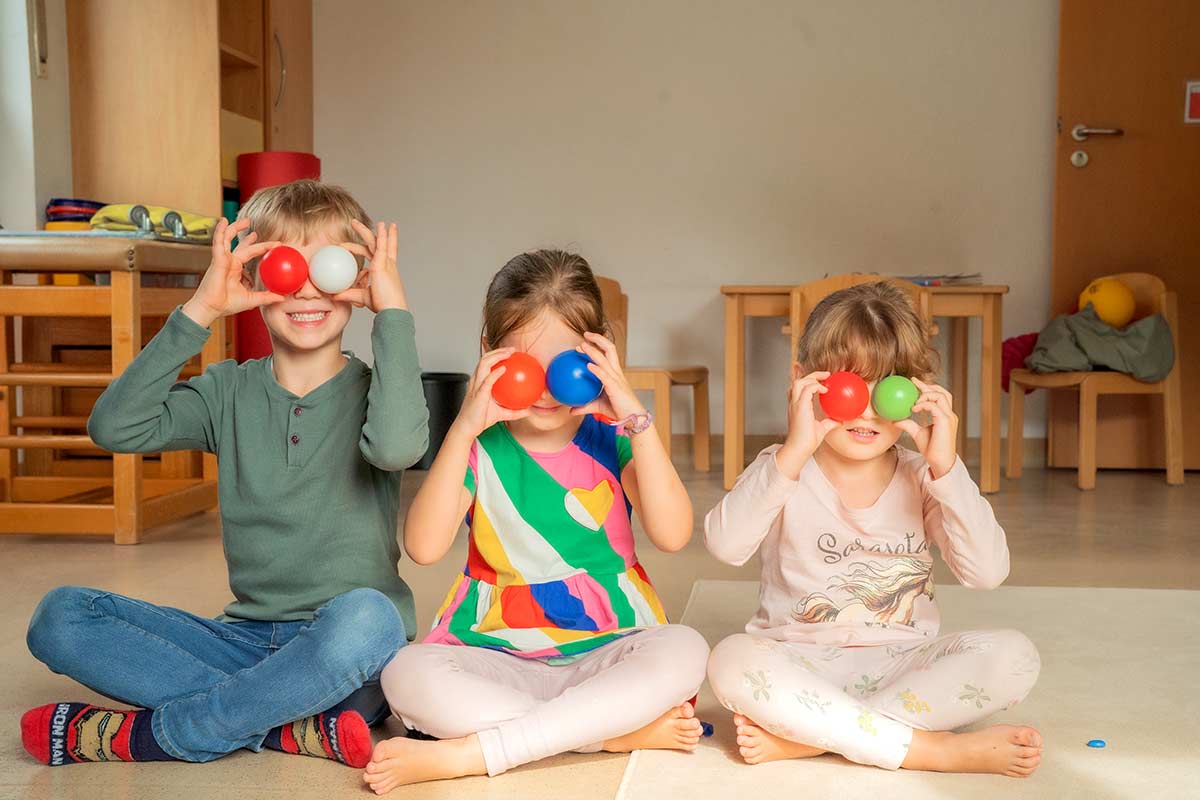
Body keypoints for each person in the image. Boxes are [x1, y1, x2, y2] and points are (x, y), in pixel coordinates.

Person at [21, 180, 429, 769]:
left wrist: (394, 311)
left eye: (330, 268)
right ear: (256, 281)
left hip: (345, 651)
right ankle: (282, 726)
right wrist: (200, 310)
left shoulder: (377, 390)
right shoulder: (226, 391)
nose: (308, 288)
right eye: (286, 267)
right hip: (240, 641)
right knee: (59, 616)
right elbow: (115, 428)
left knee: (371, 617)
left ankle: (172, 731)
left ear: (357, 280)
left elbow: (395, 448)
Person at [362, 250, 709, 794]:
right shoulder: (481, 447)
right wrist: (462, 430)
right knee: (405, 674)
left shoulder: (615, 437)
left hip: (607, 646)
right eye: (527, 368)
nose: (546, 390)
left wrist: (634, 417)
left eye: (566, 368)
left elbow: (673, 533)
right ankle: (605, 733)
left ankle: (473, 754)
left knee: (686, 648)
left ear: (600, 358)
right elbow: (424, 547)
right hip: (495, 649)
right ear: (488, 354)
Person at [705, 281, 1043, 778]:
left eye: (887, 389)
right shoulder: (782, 469)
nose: (865, 411)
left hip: (905, 664)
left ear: (917, 392)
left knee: (1016, 657)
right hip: (800, 661)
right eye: (849, 388)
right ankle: (929, 750)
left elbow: (988, 572)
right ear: (802, 381)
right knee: (729, 661)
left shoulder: (923, 476)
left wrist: (946, 468)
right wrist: (792, 453)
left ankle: (813, 737)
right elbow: (725, 546)